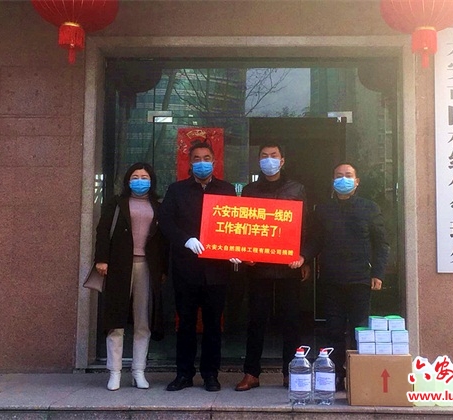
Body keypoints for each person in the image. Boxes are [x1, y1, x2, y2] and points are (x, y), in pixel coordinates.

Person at [302, 162, 390, 390]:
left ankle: (357, 376)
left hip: (360, 280)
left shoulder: (369, 208)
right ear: (332, 181)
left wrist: (378, 273)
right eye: (339, 175)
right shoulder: (323, 210)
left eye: (348, 175)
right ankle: (336, 375)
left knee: (359, 330)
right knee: (333, 330)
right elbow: (315, 241)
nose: (343, 179)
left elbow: (381, 244)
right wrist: (303, 258)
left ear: (357, 181)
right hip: (331, 279)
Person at [158, 142, 237, 392]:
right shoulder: (177, 190)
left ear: (214, 161)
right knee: (186, 325)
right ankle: (184, 374)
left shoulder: (226, 189)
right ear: (190, 163)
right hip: (186, 269)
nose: (202, 162)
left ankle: (211, 374)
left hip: (217, 271)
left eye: (206, 158)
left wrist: (238, 249)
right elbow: (166, 222)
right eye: (197, 158)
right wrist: (185, 240)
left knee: (213, 326)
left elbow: (236, 222)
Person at [235, 143, 309, 392]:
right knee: (256, 320)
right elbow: (243, 224)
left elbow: (305, 226)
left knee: (291, 321)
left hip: (289, 266)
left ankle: (291, 373)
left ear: (282, 160)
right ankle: (251, 373)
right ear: (259, 161)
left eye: (273, 156)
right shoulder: (250, 190)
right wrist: (244, 253)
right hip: (258, 267)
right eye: (264, 156)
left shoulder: (297, 189)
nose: (269, 160)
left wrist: (305, 257)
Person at [94, 162, 167, 391]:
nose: (139, 181)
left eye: (144, 177)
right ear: (128, 180)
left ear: (151, 181)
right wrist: (101, 259)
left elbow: (163, 240)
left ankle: (138, 371)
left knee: (143, 321)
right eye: (135, 177)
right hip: (119, 266)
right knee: (115, 320)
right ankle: (114, 372)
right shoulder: (116, 203)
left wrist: (163, 269)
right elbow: (102, 231)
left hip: (147, 267)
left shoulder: (158, 205)